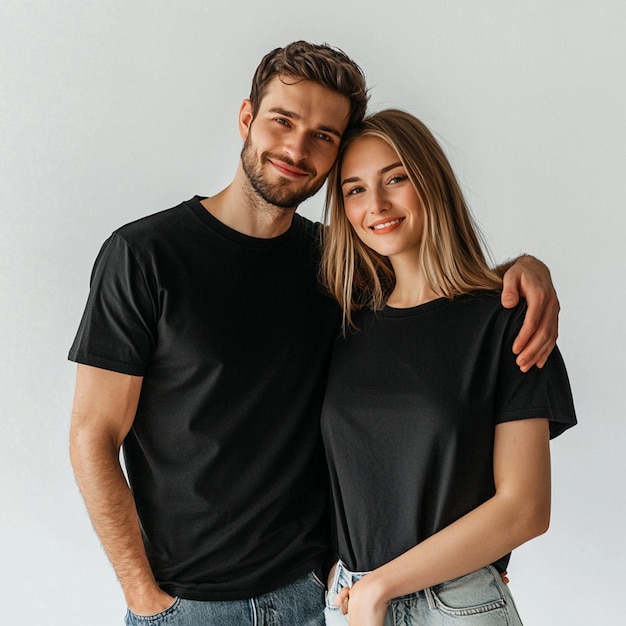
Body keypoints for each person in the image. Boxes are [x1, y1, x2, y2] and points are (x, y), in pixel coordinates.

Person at [68, 42, 560, 626]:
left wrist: (524, 270)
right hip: (190, 605)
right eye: (283, 121)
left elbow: (435, 299)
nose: (298, 148)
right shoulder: (145, 256)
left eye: (324, 136)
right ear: (247, 118)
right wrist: (144, 598)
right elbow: (93, 436)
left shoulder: (338, 268)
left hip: (320, 595)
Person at [319, 109, 577, 626]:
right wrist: (346, 581)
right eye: (354, 189)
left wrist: (382, 588)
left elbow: (525, 507)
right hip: (349, 600)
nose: (377, 204)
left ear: (431, 182)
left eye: (396, 178)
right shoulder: (342, 322)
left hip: (452, 606)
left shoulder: (505, 321)